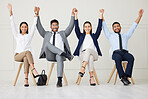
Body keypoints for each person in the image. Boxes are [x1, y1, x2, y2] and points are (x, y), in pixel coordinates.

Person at [36, 7, 76, 87]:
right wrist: (37, 14)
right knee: (47, 43)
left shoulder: (62, 34)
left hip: (59, 57)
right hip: (50, 55)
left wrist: (73, 15)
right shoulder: (46, 34)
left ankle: (59, 80)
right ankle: (66, 55)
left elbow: (70, 27)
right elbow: (39, 27)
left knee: (59, 56)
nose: (55, 26)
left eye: (56, 25)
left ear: (58, 26)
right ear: (50, 26)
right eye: (53, 25)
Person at [102, 9, 144, 85]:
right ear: (113, 29)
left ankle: (126, 76)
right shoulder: (110, 35)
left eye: (118, 26)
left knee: (131, 57)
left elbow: (133, 27)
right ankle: (122, 77)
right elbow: (104, 26)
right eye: (114, 27)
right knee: (118, 58)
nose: (116, 27)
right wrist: (101, 14)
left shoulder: (125, 36)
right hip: (116, 53)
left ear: (120, 27)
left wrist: (139, 17)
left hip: (124, 53)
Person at [7, 4, 40, 87]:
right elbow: (12, 25)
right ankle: (33, 69)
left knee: (26, 57)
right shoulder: (17, 35)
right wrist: (10, 12)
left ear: (27, 28)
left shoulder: (29, 35)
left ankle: (26, 80)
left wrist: (36, 14)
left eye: (25, 27)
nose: (24, 28)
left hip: (26, 56)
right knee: (27, 52)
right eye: (22, 27)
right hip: (18, 55)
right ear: (20, 28)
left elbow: (34, 25)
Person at [73, 9, 104, 86]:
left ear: (91, 27)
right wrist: (76, 15)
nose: (87, 28)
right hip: (83, 55)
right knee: (89, 56)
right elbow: (76, 27)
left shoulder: (94, 36)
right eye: (85, 26)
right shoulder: (80, 36)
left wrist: (100, 15)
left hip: (94, 55)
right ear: (83, 28)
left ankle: (82, 68)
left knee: (89, 50)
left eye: (89, 26)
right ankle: (91, 77)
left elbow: (99, 28)